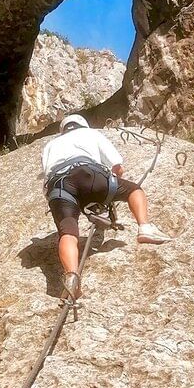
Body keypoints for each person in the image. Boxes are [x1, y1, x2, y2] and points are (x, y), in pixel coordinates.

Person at [42, 114, 169, 300]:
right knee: (133, 190)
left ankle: (71, 276)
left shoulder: (51, 145)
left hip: (59, 186)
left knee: (67, 232)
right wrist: (107, 191)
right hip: (88, 173)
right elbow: (118, 167)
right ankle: (145, 227)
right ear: (82, 125)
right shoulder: (91, 134)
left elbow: (46, 178)